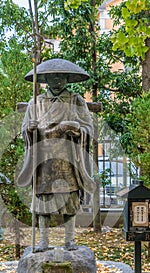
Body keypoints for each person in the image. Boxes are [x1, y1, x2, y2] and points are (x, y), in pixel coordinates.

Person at [17, 58, 95, 252]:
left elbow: (89, 128)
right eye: (52, 77)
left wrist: (77, 128)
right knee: (43, 199)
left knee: (69, 199)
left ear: (67, 78)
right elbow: (23, 131)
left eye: (61, 76)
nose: (57, 80)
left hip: (67, 156)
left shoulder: (76, 100)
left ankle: (70, 240)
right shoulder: (35, 102)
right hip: (44, 157)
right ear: (45, 79)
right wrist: (29, 129)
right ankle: (43, 240)